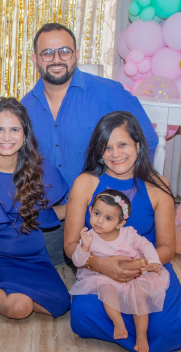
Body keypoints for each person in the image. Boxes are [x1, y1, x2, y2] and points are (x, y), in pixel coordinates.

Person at [20, 23, 159, 266]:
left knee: (115, 278)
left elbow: (147, 138)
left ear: (75, 54)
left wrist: (125, 191)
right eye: (47, 53)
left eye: (64, 51)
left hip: (104, 214)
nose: (56, 59)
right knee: (47, 274)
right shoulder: (25, 106)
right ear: (35, 59)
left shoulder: (107, 93)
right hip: (52, 216)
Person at [65, 111, 179, 352]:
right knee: (83, 316)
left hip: (148, 266)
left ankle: (142, 329)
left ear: (138, 145)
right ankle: (130, 325)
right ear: (99, 152)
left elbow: (167, 247)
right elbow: (71, 244)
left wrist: (137, 265)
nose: (115, 154)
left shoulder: (158, 187)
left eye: (123, 144)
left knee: (167, 329)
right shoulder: (85, 183)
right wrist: (101, 264)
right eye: (107, 147)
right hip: (97, 269)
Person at [0, 97, 71, 319]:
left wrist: (83, 206)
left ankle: (18, 293)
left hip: (34, 257)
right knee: (20, 308)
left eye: (14, 129)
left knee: (62, 303)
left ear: (25, 135)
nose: (7, 137)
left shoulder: (40, 170)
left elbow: (47, 215)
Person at [69, 189, 169, 352]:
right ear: (90, 210)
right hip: (105, 276)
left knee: (139, 298)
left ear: (120, 223)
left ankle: (141, 335)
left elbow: (146, 246)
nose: (99, 221)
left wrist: (153, 261)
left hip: (134, 275)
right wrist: (84, 247)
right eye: (96, 213)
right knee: (105, 289)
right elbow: (78, 262)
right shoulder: (90, 237)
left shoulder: (129, 234)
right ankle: (118, 321)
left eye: (108, 218)